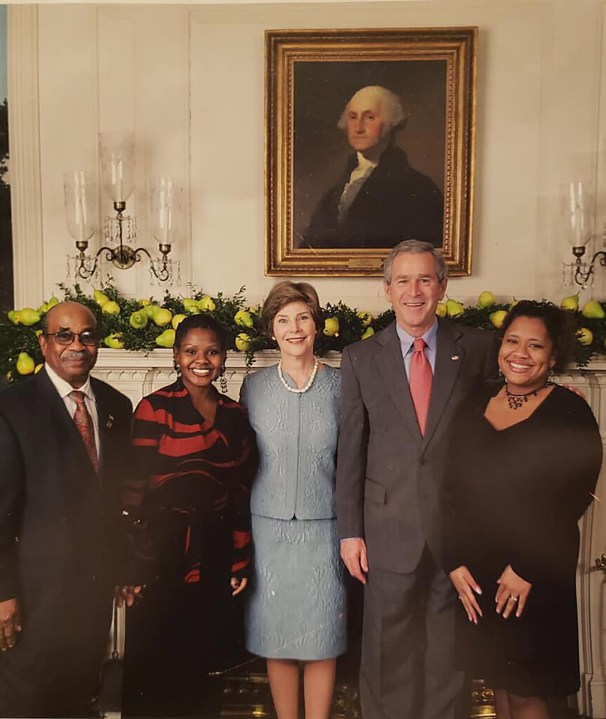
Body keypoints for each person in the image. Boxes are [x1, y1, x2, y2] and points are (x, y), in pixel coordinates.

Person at [336, 239, 499, 719]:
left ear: (442, 286)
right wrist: (350, 531)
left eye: (425, 279)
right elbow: (351, 450)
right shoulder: (360, 356)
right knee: (388, 654)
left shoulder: (479, 348)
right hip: (387, 528)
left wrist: (548, 396)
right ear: (387, 291)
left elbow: (503, 422)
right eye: (403, 280)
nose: (414, 291)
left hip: (456, 533)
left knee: (447, 658)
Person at [444, 301, 602, 719]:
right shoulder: (475, 402)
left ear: (553, 356)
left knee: (530, 687)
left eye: (535, 346)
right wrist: (454, 561)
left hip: (535, 572)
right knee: (500, 682)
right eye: (513, 341)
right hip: (480, 571)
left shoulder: (570, 413)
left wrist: (527, 568)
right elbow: (449, 488)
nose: (520, 353)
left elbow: (572, 499)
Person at [120, 314, 258, 719]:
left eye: (212, 351)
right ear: (176, 356)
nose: (202, 360)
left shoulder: (235, 414)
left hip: (215, 550)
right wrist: (131, 567)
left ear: (223, 358)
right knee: (154, 661)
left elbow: (240, 492)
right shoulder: (154, 407)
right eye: (192, 351)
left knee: (203, 663)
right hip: (158, 551)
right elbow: (133, 490)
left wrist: (239, 559)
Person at [0, 301, 133, 718]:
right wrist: (3, 592)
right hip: (33, 594)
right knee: (29, 699)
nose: (77, 345)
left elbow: (116, 500)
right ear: (44, 342)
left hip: (92, 590)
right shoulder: (11, 407)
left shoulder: (115, 405)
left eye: (87, 336)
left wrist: (124, 567)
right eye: (65, 335)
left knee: (79, 696)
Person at [240, 281, 346, 719]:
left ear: (316, 325)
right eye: (283, 320)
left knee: (322, 635)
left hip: (327, 526)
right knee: (276, 633)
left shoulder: (343, 384)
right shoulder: (254, 386)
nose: (294, 328)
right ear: (272, 330)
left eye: (303, 317)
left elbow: (355, 458)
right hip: (268, 528)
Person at [302, 85, 444, 249]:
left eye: (369, 117)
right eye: (353, 117)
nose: (358, 128)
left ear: (391, 123)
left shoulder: (420, 189)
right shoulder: (334, 194)